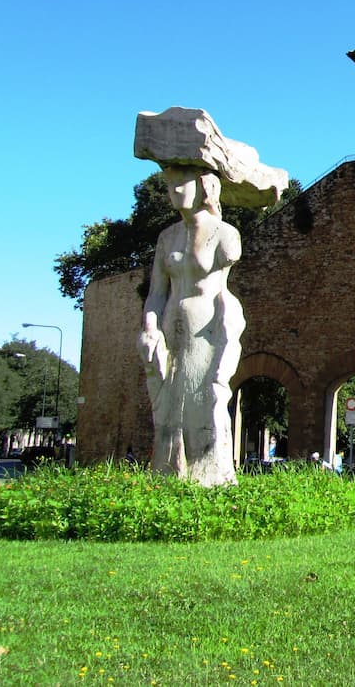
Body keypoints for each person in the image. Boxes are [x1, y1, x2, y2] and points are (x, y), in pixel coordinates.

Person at [138, 165, 244, 487]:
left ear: (204, 188)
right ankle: (170, 476)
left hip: (207, 329)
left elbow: (223, 291)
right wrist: (149, 327)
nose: (173, 189)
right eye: (169, 183)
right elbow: (156, 293)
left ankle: (211, 477)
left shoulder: (225, 235)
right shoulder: (166, 237)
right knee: (169, 408)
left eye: (179, 183)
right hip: (172, 327)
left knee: (206, 403)